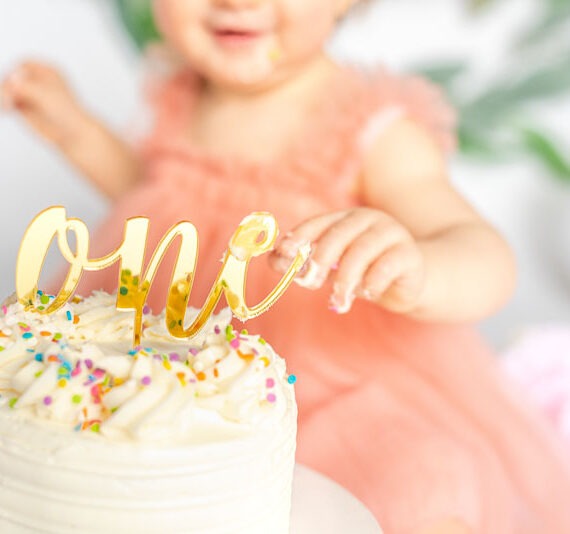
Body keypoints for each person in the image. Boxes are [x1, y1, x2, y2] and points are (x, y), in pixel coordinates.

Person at [2, 1, 570, 532]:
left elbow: (485, 254)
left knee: (410, 476)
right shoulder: (180, 96)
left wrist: (419, 269)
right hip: (171, 355)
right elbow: (156, 205)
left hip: (336, 379)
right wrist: (77, 132)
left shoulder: (372, 128)